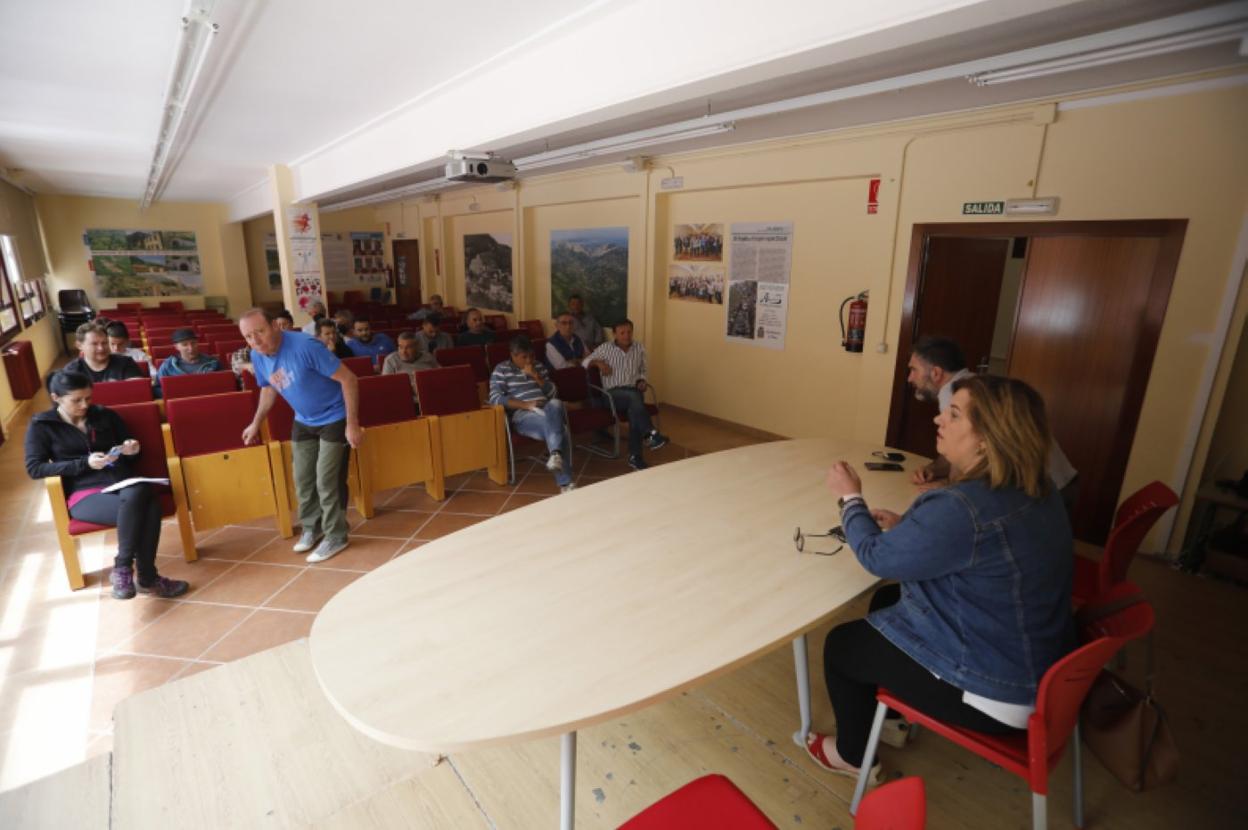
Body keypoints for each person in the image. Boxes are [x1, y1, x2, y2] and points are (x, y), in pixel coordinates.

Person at [808, 375, 1075, 781]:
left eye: (953, 414)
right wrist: (912, 529)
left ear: (987, 438)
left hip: (997, 689)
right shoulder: (1038, 486)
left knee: (841, 646)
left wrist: (850, 499)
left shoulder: (963, 506)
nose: (938, 420)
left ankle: (852, 754)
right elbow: (979, 548)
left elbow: (875, 556)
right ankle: (892, 719)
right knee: (887, 602)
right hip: (1040, 665)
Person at [24, 371, 188, 599]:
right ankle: (147, 578)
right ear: (56, 397)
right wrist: (84, 463)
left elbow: (129, 451)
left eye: (88, 398)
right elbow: (35, 468)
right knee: (149, 506)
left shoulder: (104, 415)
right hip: (85, 493)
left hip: (122, 483)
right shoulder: (42, 425)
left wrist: (131, 449)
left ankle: (123, 568)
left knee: (139, 492)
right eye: (76, 400)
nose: (85, 405)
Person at [239, 309, 361, 564]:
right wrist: (255, 423)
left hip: (334, 417)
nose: (256, 341)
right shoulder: (257, 355)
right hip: (303, 420)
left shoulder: (306, 346)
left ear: (274, 326)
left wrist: (352, 424)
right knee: (303, 479)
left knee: (326, 480)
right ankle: (312, 527)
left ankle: (336, 535)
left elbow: (349, 380)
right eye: (249, 337)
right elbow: (269, 388)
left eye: (259, 332)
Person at [906, 336, 1078, 506]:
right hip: (1060, 483)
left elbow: (962, 455)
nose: (910, 378)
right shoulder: (976, 385)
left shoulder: (958, 393)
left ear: (936, 373)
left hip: (1042, 489)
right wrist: (934, 469)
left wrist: (949, 490)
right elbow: (959, 447)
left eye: (914, 370)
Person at [489, 335, 575, 493]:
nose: (529, 361)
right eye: (524, 357)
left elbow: (553, 393)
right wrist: (526, 405)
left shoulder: (539, 367)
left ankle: (556, 456)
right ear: (513, 355)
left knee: (556, 403)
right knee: (562, 431)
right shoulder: (501, 370)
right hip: (523, 415)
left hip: (547, 409)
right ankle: (565, 483)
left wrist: (536, 377)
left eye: (532, 356)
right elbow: (495, 398)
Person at [583, 319, 669, 470]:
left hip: (633, 392)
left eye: (629, 332)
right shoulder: (605, 348)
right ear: (614, 333)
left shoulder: (639, 348)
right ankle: (650, 433)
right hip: (611, 395)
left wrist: (642, 380)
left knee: (634, 409)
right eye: (622, 332)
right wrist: (598, 363)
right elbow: (584, 362)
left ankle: (635, 457)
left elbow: (642, 370)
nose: (626, 335)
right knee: (634, 399)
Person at [64, 323, 145, 383]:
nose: (101, 348)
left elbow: (138, 391)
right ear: (79, 345)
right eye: (94, 344)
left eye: (105, 343)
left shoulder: (126, 362)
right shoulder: (71, 371)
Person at [155, 328, 222, 396]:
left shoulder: (213, 362)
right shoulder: (168, 366)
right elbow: (157, 389)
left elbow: (223, 384)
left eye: (193, 343)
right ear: (176, 347)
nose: (191, 348)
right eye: (185, 345)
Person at [381, 330, 437, 404]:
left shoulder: (428, 357)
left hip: (430, 397)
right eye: (400, 347)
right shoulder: (390, 360)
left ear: (417, 346)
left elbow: (439, 376)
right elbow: (386, 388)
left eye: (408, 347)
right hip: (405, 401)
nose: (403, 352)